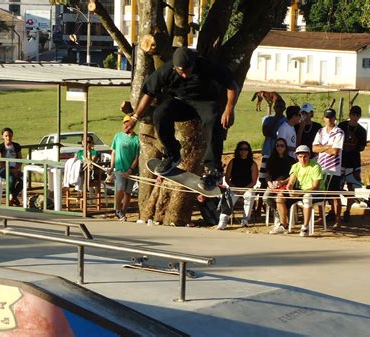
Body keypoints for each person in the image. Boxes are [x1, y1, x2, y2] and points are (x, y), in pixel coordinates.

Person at [124, 47, 239, 190]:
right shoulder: (166, 70)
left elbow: (232, 85)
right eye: (180, 71)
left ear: (193, 64)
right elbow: (149, 93)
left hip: (205, 102)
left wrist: (229, 108)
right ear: (174, 67)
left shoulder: (207, 65)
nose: (184, 75)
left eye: (187, 70)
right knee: (160, 114)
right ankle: (173, 153)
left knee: (214, 120)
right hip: (181, 103)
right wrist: (135, 118)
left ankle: (212, 170)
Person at [272, 145, 325, 236]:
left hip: (316, 192)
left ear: (309, 155)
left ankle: (305, 227)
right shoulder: (295, 166)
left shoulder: (316, 166)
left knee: (307, 197)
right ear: (297, 157)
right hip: (301, 191)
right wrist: (289, 189)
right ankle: (283, 225)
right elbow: (291, 182)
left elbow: (315, 186)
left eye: (305, 156)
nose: (303, 159)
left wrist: (299, 193)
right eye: (300, 157)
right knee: (280, 196)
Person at [312, 108, 345, 227]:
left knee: (334, 195)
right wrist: (327, 147)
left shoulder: (339, 132)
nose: (329, 119)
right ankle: (321, 217)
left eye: (331, 117)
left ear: (334, 117)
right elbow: (314, 148)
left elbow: (335, 151)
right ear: (324, 118)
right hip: (321, 166)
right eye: (327, 117)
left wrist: (322, 147)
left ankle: (338, 220)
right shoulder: (320, 131)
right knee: (321, 193)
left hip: (333, 168)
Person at [217, 141, 258, 229]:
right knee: (228, 198)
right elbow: (227, 178)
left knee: (250, 196)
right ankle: (223, 221)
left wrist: (244, 190)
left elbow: (254, 181)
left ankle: (245, 220)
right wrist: (234, 188)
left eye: (246, 149)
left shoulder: (253, 164)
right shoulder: (232, 162)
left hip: (247, 188)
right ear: (238, 150)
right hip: (234, 187)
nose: (243, 151)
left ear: (249, 151)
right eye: (241, 149)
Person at [338, 106, 367, 222]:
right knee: (335, 187)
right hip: (340, 162)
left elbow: (362, 147)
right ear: (349, 115)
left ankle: (347, 211)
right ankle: (334, 211)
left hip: (353, 163)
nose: (354, 117)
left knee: (352, 189)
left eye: (357, 115)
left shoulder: (361, 131)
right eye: (353, 115)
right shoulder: (342, 126)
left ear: (359, 116)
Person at [108, 115, 140, 221]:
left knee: (128, 192)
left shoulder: (136, 139)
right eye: (124, 123)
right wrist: (111, 167)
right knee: (120, 189)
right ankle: (117, 210)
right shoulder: (118, 136)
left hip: (131, 170)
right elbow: (113, 152)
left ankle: (124, 212)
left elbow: (137, 156)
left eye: (128, 123)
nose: (126, 125)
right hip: (119, 169)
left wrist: (130, 170)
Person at [263, 138, 296, 226]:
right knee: (265, 198)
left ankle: (281, 215)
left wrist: (284, 182)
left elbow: (293, 176)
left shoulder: (291, 160)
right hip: (273, 184)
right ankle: (279, 212)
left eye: (282, 145)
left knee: (280, 198)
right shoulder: (271, 159)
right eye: (277, 145)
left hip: (286, 184)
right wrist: (269, 184)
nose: (280, 147)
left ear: (285, 147)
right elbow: (267, 175)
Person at [259, 99, 286, 187]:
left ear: (284, 108)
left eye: (281, 107)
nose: (279, 109)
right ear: (274, 107)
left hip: (279, 154)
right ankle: (260, 198)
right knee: (263, 178)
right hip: (267, 151)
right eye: (277, 106)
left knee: (275, 177)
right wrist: (276, 120)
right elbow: (266, 133)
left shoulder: (286, 121)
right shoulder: (268, 119)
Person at [0, 127, 23, 206]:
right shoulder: (0, 147)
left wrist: (16, 169)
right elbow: (0, 162)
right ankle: (12, 198)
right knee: (12, 178)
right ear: (3, 136)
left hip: (15, 168)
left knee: (24, 180)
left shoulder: (16, 146)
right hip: (4, 170)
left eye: (10, 136)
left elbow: (20, 159)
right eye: (6, 136)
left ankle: (13, 197)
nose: (8, 137)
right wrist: (11, 171)